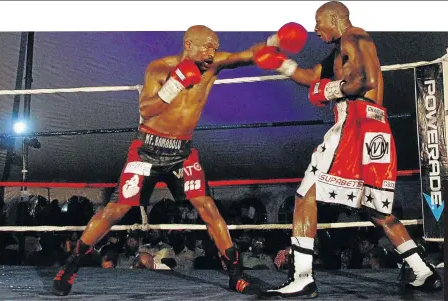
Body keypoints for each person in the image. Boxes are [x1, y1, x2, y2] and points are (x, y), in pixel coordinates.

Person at [52, 24, 308, 296]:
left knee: (208, 208)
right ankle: (69, 267)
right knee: (117, 209)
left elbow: (247, 54)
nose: (213, 51)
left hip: (182, 152)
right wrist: (175, 84)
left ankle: (236, 275)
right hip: (148, 148)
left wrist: (275, 40)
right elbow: (146, 108)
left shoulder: (214, 64)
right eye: (207, 46)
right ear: (188, 45)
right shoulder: (159, 68)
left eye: (215, 46)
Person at [253, 1, 442, 298]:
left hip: (354, 124)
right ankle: (423, 271)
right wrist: (279, 62)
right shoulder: (341, 51)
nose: (315, 30)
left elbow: (362, 81)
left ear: (334, 18)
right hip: (375, 128)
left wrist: (328, 90)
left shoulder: (354, 36)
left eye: (318, 22)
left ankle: (302, 277)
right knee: (377, 209)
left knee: (305, 195)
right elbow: (311, 77)